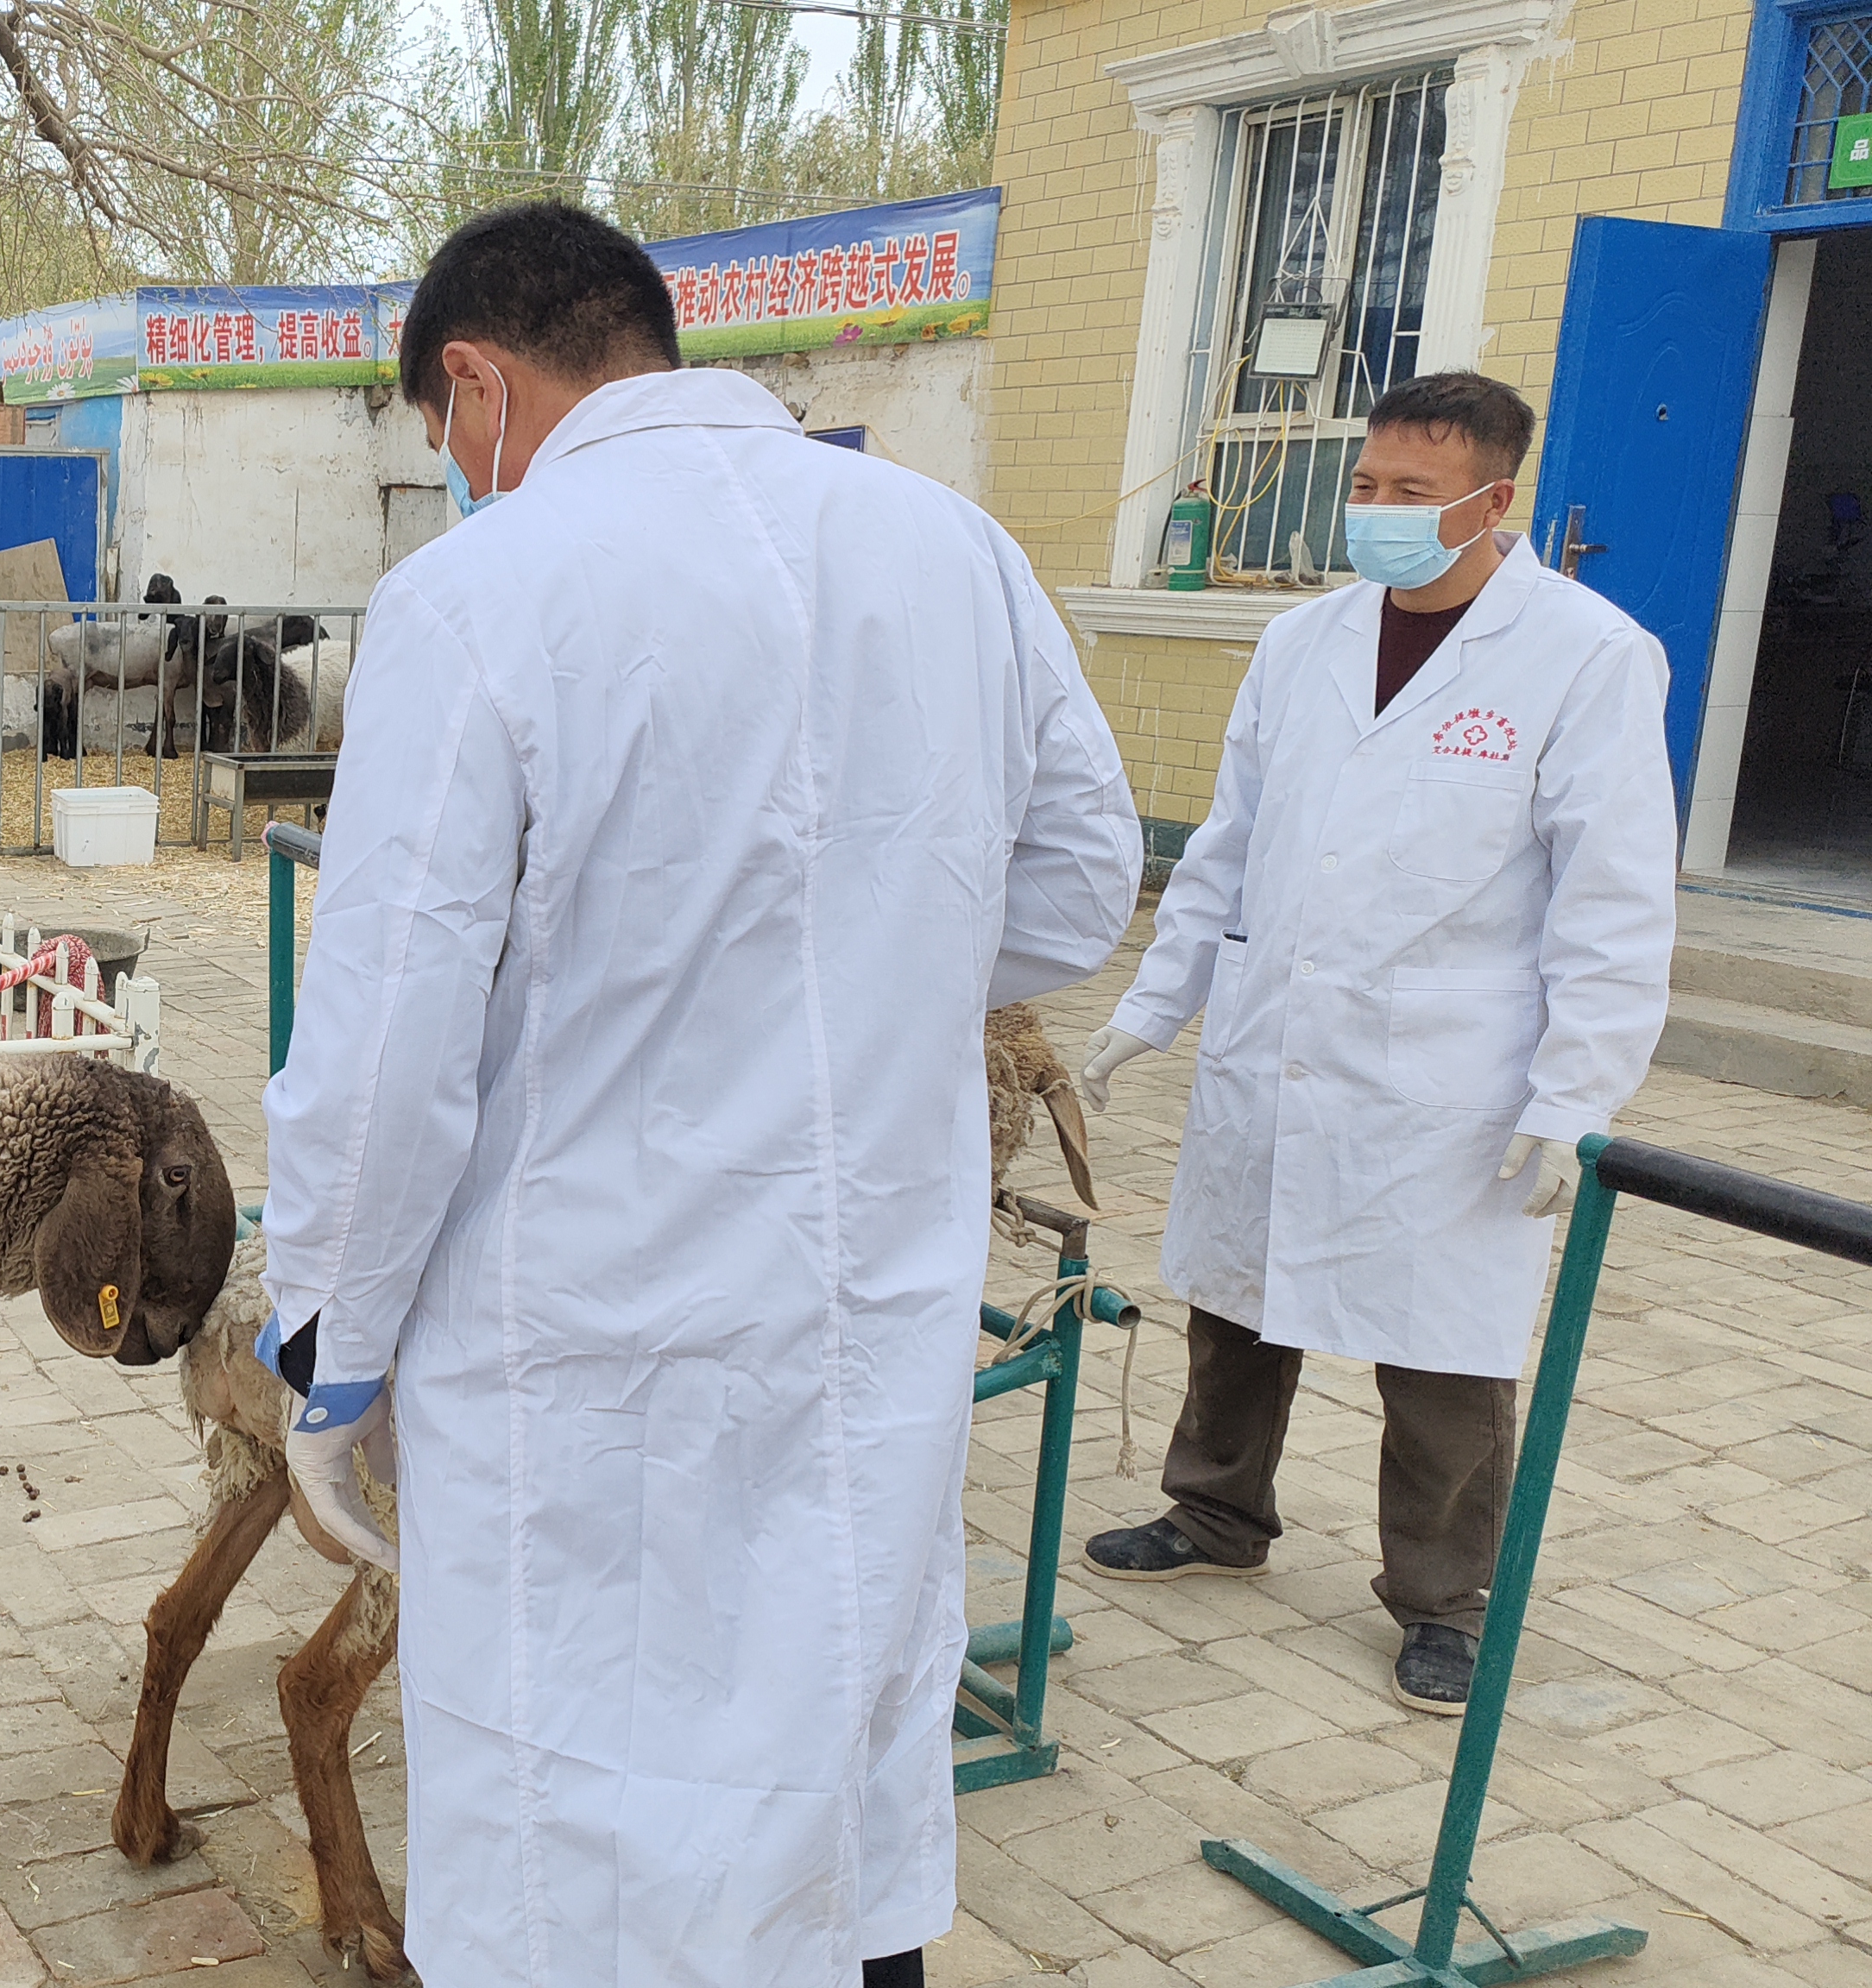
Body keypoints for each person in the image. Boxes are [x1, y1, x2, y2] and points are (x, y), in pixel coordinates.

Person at [255, 202, 1139, 1987]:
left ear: (473, 383)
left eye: (446, 443)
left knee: (585, 1811)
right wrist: (863, 964)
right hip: (858, 1301)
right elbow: (1074, 882)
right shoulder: (947, 547)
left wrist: (327, 1352)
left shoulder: (474, 596)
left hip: (585, 1336)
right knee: (830, 1762)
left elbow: (388, 1033)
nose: (461, 475)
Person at [1074, 370, 1677, 1714]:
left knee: (1445, 1347)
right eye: (1366, 484)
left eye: (1413, 491)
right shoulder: (1304, 642)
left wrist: (1573, 1095)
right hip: (1277, 1029)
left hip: (1451, 1069)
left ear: (1493, 502)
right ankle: (1216, 1512)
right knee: (1237, 1294)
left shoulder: (1586, 656)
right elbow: (1226, 851)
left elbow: (1614, 902)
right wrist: (1149, 1009)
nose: (1378, 512)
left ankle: (1443, 1600)